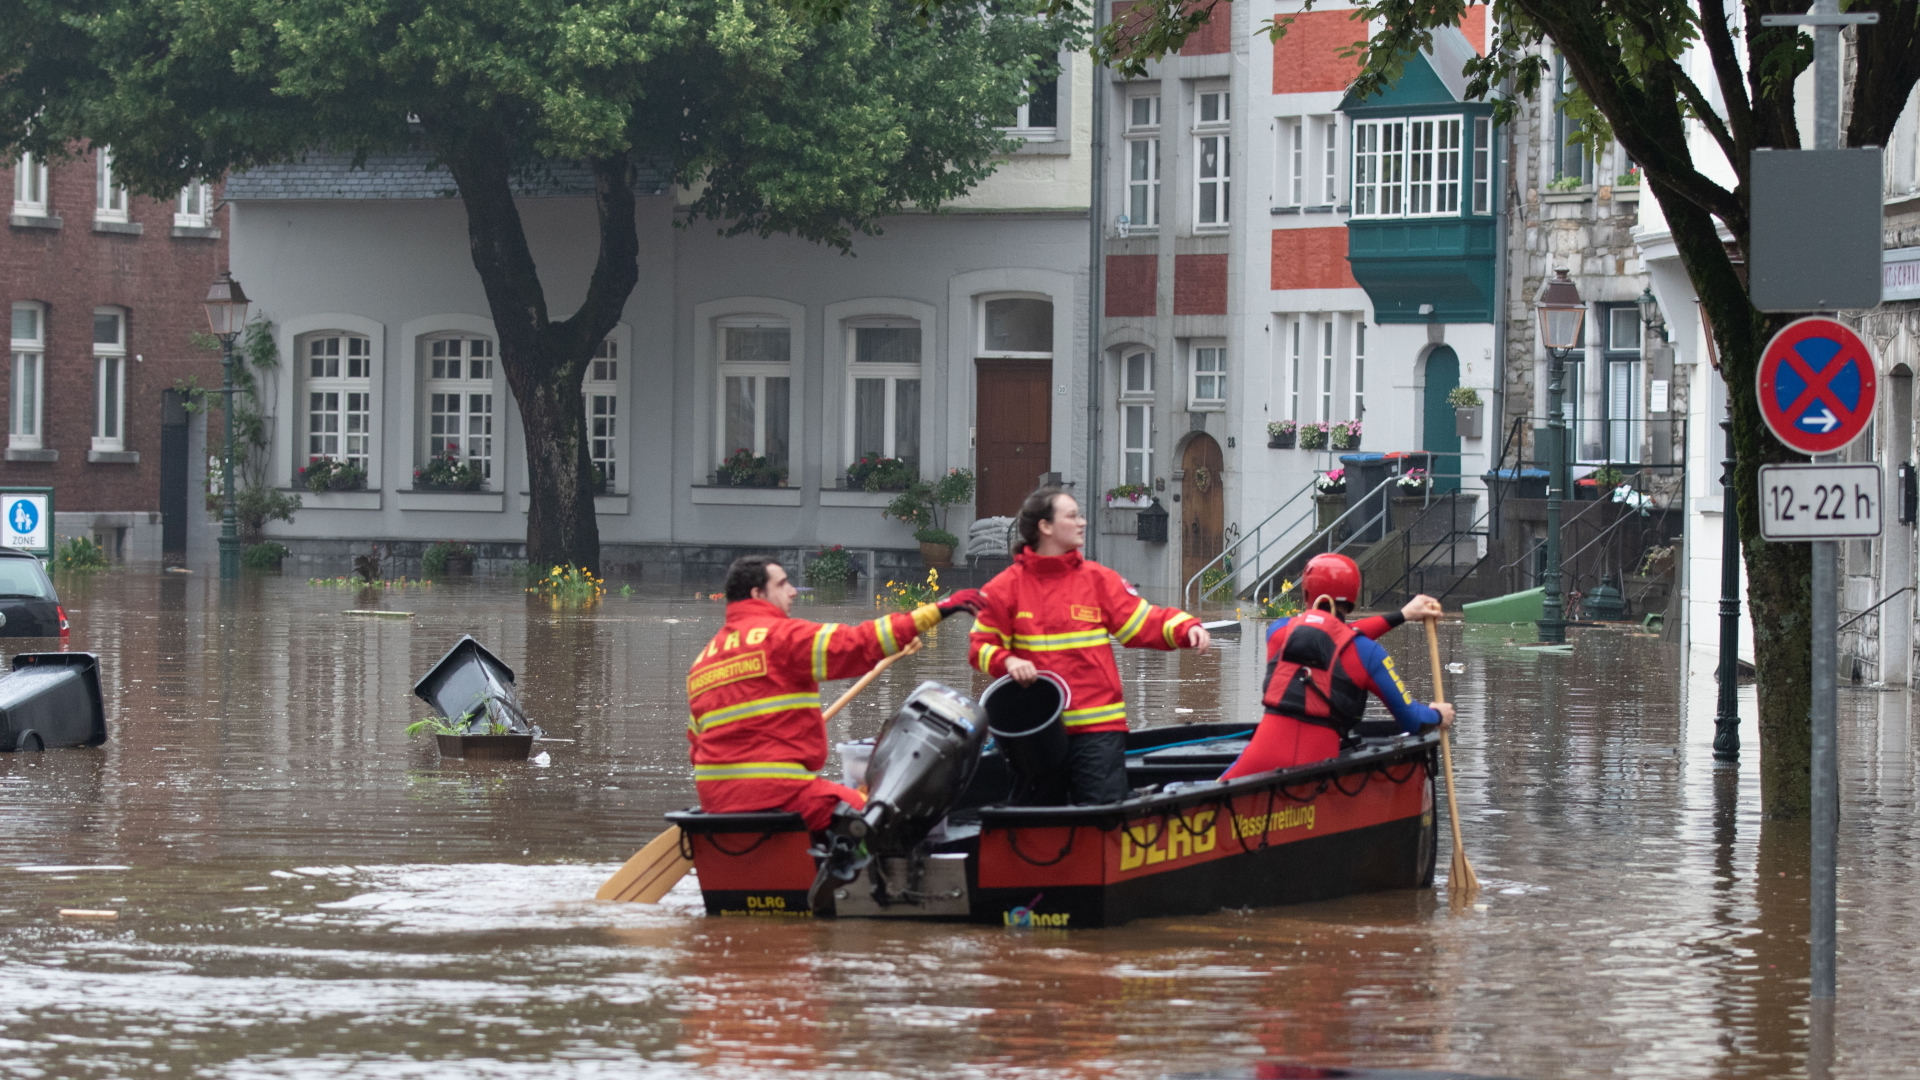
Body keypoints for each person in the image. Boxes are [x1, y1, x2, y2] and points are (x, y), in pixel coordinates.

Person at [687, 555, 979, 830]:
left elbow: (696, 744)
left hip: (716, 802)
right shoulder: (782, 638)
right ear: (757, 594)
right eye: (782, 584)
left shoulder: (703, 660)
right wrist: (941, 609)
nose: (792, 592)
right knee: (882, 818)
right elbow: (858, 643)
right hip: (777, 795)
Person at [968, 486, 1212, 804]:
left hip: (1098, 728)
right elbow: (979, 648)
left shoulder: (1098, 580)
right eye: (1072, 516)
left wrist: (1183, 627)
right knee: (1038, 817)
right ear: (1045, 526)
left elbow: (1141, 622)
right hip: (1036, 734)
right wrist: (1008, 662)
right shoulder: (1004, 589)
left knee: (1103, 815)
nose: (1082, 522)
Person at [1220, 553, 1453, 780]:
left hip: (1259, 758)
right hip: (1319, 769)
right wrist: (1436, 715)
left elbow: (1331, 634)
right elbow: (1412, 721)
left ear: (1306, 593)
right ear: (1353, 596)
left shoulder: (1278, 632)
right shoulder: (1368, 653)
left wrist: (1402, 615)